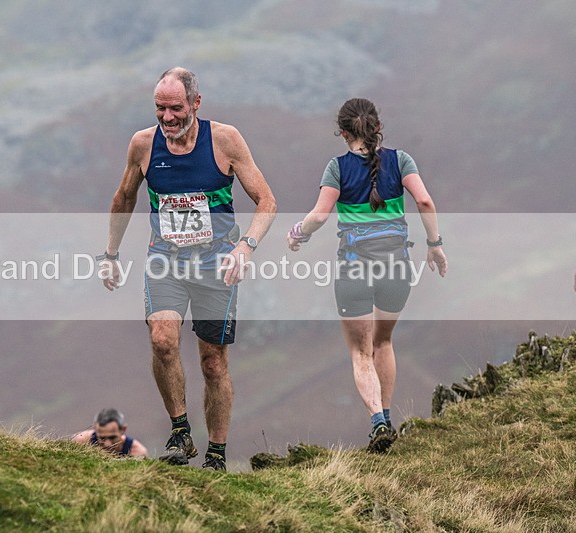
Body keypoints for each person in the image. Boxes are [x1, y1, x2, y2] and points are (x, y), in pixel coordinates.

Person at [99, 67, 276, 471]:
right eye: (159, 109)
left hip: (217, 263)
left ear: (196, 103)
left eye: (175, 108)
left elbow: (267, 201)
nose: (167, 118)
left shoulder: (225, 140)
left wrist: (246, 247)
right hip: (166, 260)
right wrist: (110, 255)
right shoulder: (143, 145)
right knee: (162, 339)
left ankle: (216, 453)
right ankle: (180, 431)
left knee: (213, 361)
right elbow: (123, 197)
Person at [287, 97, 447, 453]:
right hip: (397, 267)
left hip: (354, 268)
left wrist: (299, 232)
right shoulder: (401, 160)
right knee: (384, 342)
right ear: (378, 127)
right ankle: (387, 417)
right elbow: (425, 202)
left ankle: (378, 422)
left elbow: (320, 214)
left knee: (361, 353)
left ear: (343, 133)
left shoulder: (337, 168)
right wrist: (434, 244)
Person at [71, 408, 148, 458]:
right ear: (95, 429)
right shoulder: (80, 442)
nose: (107, 444)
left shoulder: (137, 452)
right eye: (102, 438)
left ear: (123, 430)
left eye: (112, 437)